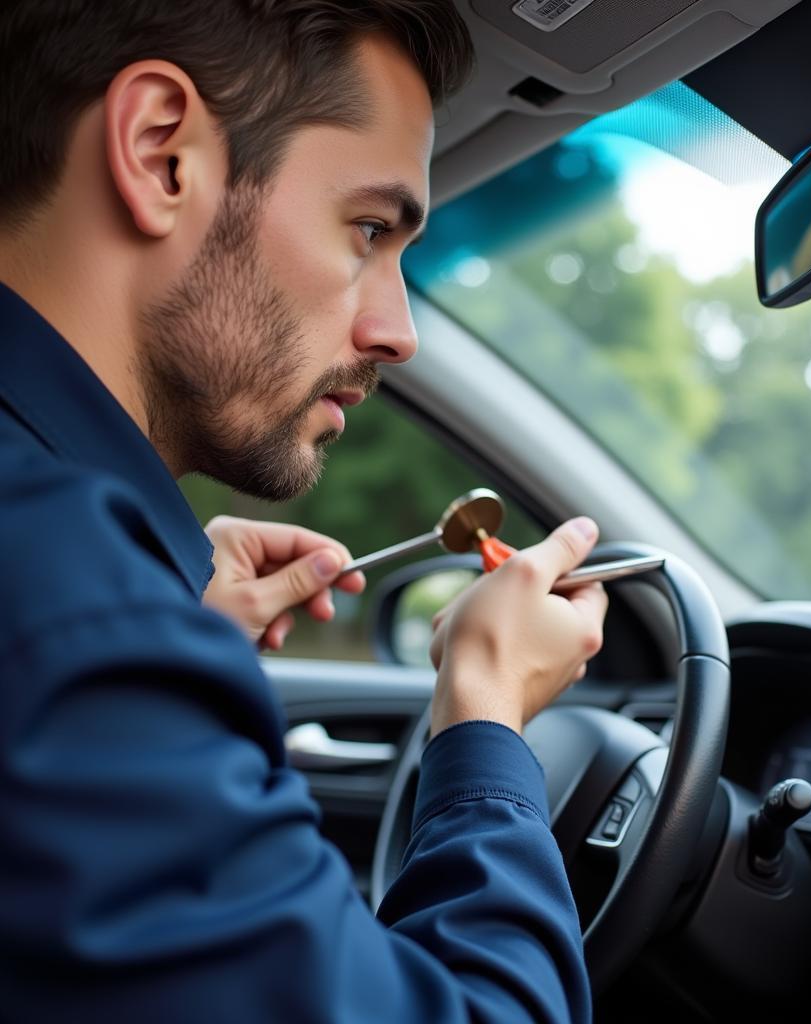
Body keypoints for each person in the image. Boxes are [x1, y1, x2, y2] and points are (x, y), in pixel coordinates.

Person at [0, 3, 608, 1022]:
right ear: (161, 154)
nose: (398, 330)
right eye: (368, 229)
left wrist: (165, 617)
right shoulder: (61, 610)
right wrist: (484, 717)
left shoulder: (67, 580)